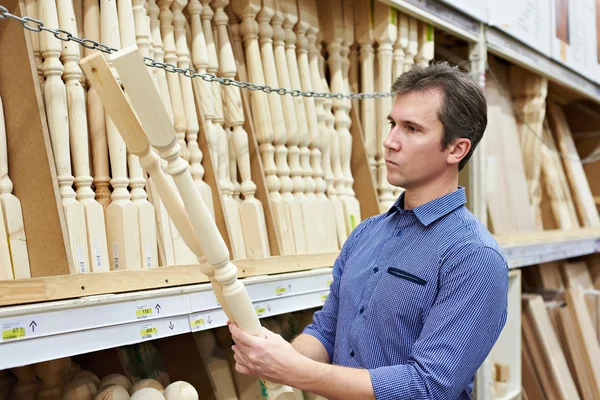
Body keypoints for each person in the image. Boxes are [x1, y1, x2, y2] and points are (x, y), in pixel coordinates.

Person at [228, 61, 509, 400]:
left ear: (456, 149)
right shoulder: (366, 234)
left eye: (412, 129)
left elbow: (427, 386)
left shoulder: (474, 257)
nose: (390, 141)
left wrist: (297, 371)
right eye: (392, 124)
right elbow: (327, 332)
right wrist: (275, 356)